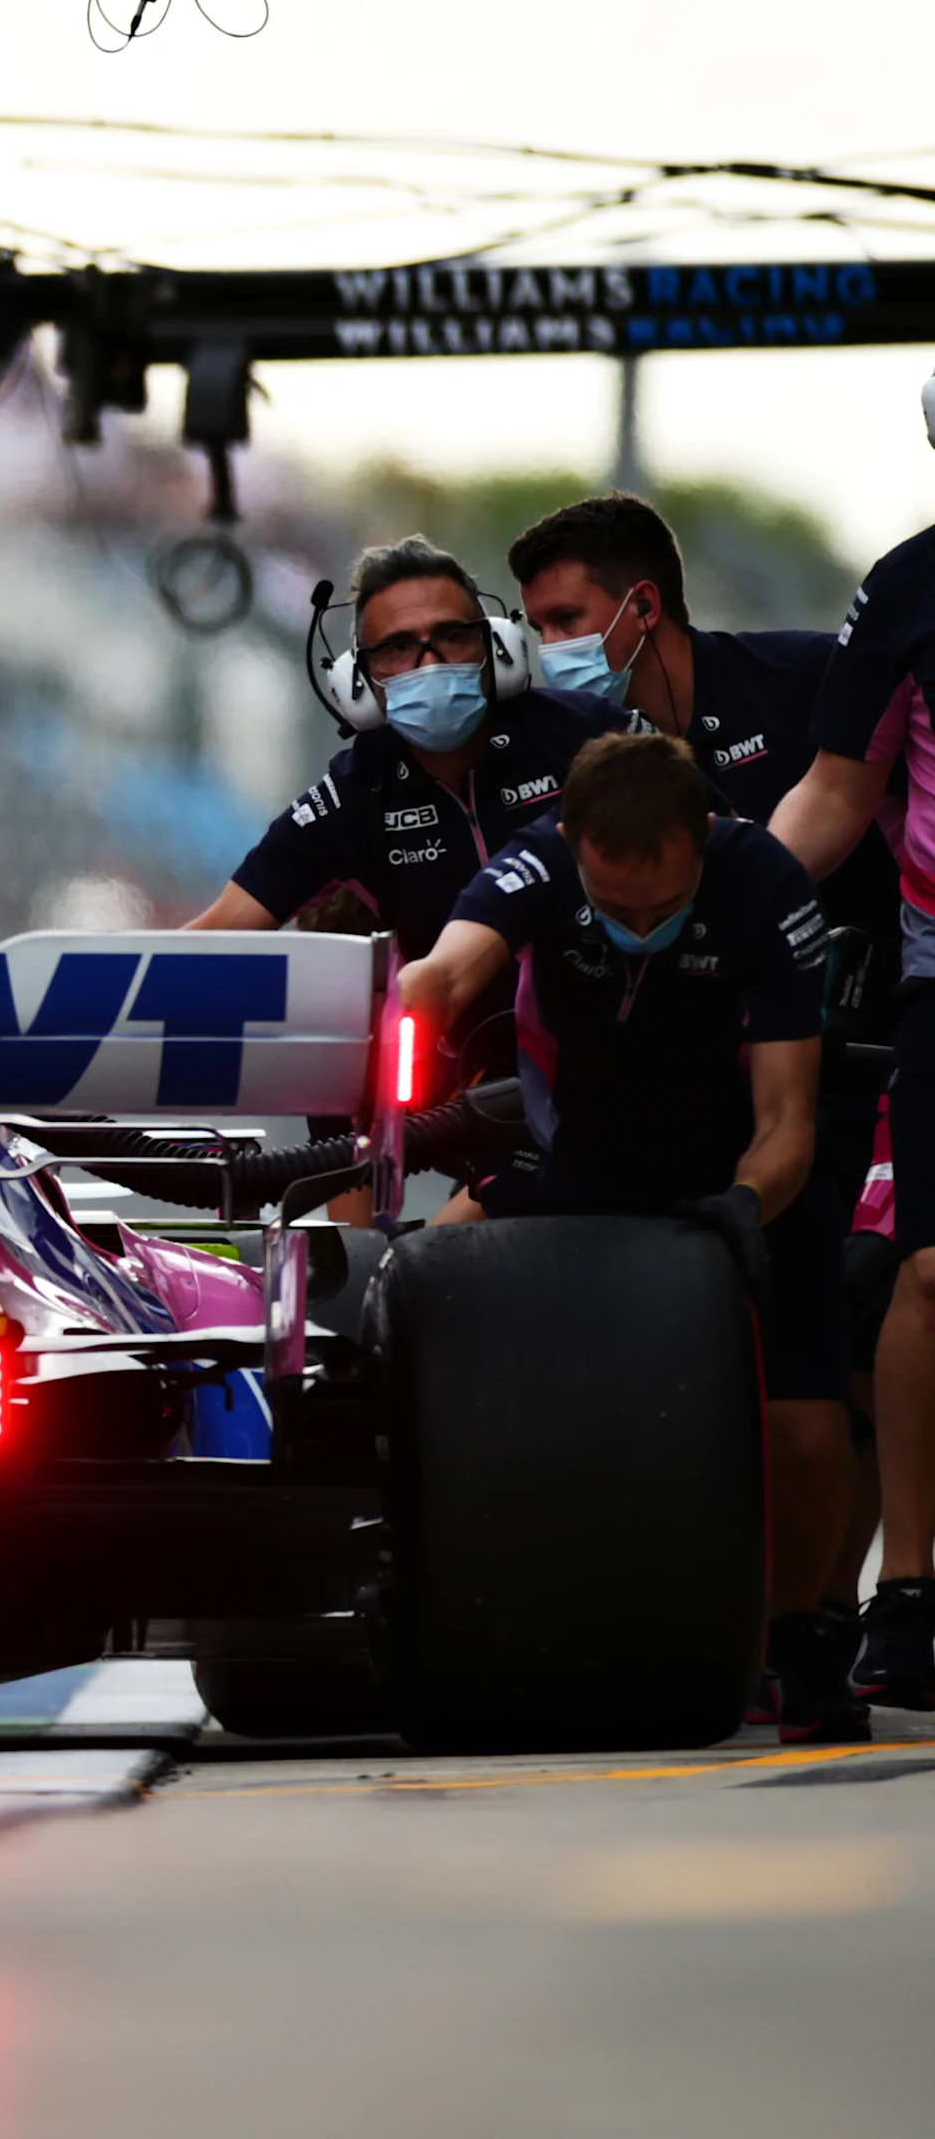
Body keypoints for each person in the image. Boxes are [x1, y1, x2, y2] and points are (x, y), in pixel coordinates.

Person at [509, 491, 895, 1722]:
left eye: (563, 616)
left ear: (641, 606)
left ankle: (826, 1623)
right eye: (529, 622)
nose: (546, 643)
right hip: (666, 1084)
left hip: (851, 1062)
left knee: (841, 1317)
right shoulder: (563, 752)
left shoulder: (807, 679)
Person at [400, 732, 844, 1735]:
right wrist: (405, 1015)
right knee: (412, 1278)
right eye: (615, 906)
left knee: (804, 1427)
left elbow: (787, 1122)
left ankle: (801, 1635)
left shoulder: (763, 882)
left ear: (704, 837)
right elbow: (441, 974)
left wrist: (739, 1208)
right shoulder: (538, 856)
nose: (638, 923)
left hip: (742, 1173)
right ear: (571, 843)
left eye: (660, 906)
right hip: (579, 1158)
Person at [188, 536, 628, 1088]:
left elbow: (723, 840)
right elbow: (215, 935)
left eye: (452, 635)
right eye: (398, 647)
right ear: (359, 683)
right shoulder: (354, 793)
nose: (431, 662)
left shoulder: (590, 735)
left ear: (498, 647)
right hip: (476, 1095)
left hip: (634, 1060)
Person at [767, 369, 935, 1713]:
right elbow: (835, 793)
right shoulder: (910, 585)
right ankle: (910, 1594)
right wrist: (729, 902)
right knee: (928, 1276)